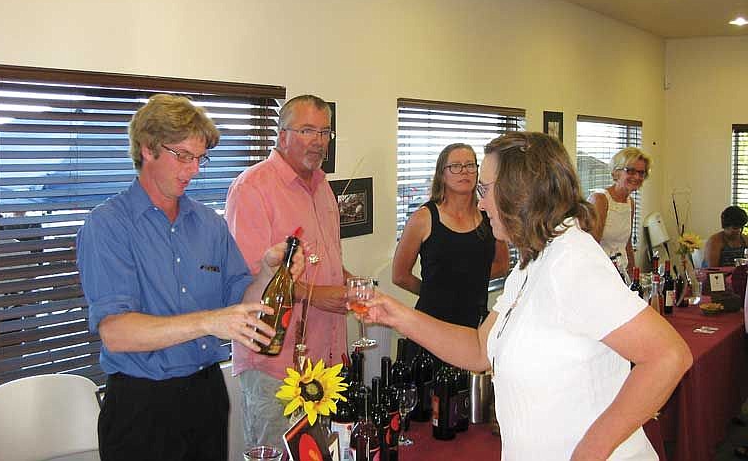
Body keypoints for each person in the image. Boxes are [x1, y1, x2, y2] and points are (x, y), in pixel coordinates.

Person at [363, 131, 692, 460]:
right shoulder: (530, 262)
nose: (480, 202)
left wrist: (589, 452)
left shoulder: (571, 261)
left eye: (486, 189)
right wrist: (397, 315)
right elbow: (480, 349)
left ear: (519, 192)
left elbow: (668, 356)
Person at [77, 94, 303, 461]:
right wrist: (210, 322)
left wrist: (267, 272)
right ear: (148, 149)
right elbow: (116, 333)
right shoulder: (108, 226)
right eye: (183, 155)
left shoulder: (210, 225)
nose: (194, 169)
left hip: (205, 397)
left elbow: (243, 305)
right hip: (140, 406)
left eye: (200, 158)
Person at [225, 94, 349, 448]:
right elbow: (250, 280)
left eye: (324, 132)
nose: (319, 141)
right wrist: (320, 297)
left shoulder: (324, 187)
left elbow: (324, 260)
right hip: (274, 363)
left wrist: (348, 278)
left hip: (323, 361)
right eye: (307, 130)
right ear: (282, 135)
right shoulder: (251, 189)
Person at [392, 143, 509, 362]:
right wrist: (433, 291)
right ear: (442, 174)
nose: (464, 171)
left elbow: (502, 265)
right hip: (430, 326)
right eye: (455, 166)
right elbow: (399, 275)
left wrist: (467, 282)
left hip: (475, 327)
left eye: (470, 165)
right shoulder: (424, 218)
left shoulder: (489, 216)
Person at [588, 147, 652, 277]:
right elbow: (591, 246)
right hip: (601, 272)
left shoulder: (630, 203)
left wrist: (634, 277)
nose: (637, 177)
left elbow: (626, 245)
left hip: (621, 273)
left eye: (641, 173)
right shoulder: (600, 199)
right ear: (616, 172)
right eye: (631, 171)